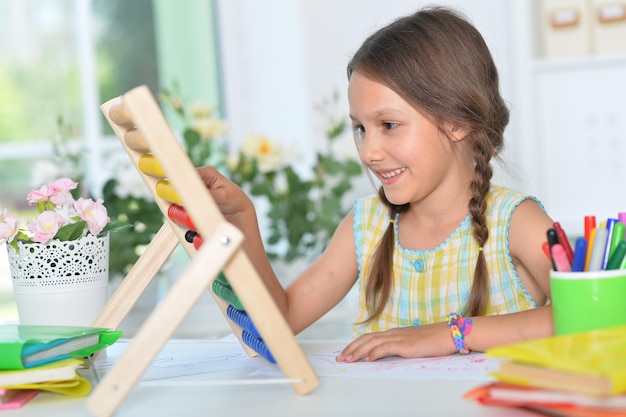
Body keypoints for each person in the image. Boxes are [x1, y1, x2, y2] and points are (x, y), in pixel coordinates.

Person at [198, 6, 554, 361]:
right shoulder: (366, 226)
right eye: (360, 129)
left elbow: (600, 314)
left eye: (389, 125)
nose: (369, 152)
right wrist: (243, 221)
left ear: (456, 121)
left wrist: (453, 334)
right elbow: (280, 320)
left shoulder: (516, 222)